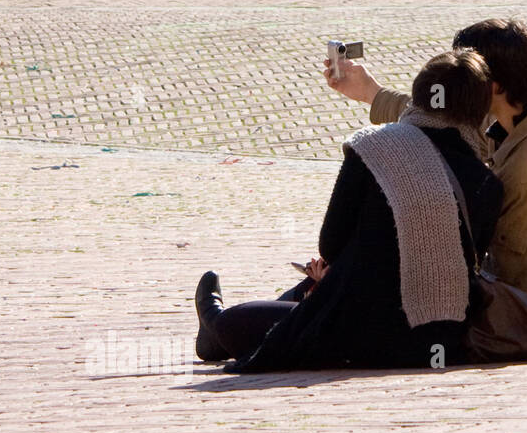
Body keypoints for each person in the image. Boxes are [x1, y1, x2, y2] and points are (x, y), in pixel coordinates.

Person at [328, 18, 527, 353]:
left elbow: (504, 282)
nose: (460, 82)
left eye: (469, 75)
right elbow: (442, 122)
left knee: (376, 319)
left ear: (494, 87)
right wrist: (371, 93)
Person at [194, 49, 503, 371]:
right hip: (436, 339)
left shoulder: (374, 147)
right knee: (299, 304)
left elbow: (331, 243)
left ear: (419, 96)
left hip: (354, 327)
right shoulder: (487, 183)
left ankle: (212, 323)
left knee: (236, 322)